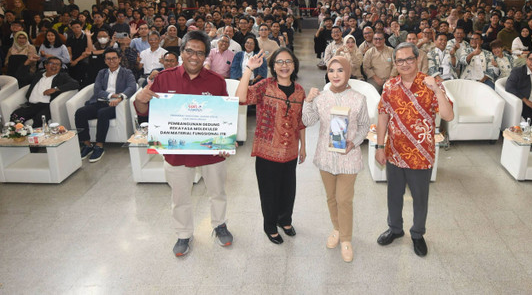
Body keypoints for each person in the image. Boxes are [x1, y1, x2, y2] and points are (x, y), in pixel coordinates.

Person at [134, 30, 234, 256]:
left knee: (217, 192)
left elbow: (223, 118)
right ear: (181, 52)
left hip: (211, 152)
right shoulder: (163, 78)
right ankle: (183, 234)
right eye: (190, 51)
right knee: (179, 197)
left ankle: (219, 224)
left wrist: (228, 141)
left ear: (206, 56)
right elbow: (144, 112)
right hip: (176, 151)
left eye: (200, 53)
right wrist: (140, 100)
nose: (194, 56)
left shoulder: (217, 82)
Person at [375, 42, 453, 257]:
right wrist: (380, 146)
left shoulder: (431, 84)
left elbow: (448, 116)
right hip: (395, 152)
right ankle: (395, 229)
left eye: (409, 59)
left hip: (421, 153)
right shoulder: (390, 86)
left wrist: (437, 89)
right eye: (400, 60)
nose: (405, 64)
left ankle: (418, 234)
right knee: (394, 195)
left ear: (417, 59)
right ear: (395, 63)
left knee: (420, 197)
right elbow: (383, 116)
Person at [236, 47, 306, 244]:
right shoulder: (265, 86)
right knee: (269, 191)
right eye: (279, 62)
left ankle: (285, 220)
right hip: (267, 150)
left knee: (288, 189)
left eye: (288, 62)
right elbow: (241, 98)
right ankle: (270, 225)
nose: (284, 66)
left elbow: (301, 121)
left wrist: (304, 146)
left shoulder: (300, 91)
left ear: (294, 65)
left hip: (290, 149)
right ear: (273, 66)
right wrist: (249, 69)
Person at [302, 56, 369, 262]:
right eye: (332, 70)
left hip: (348, 157)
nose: (336, 75)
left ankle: (346, 239)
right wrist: (308, 101)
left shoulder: (358, 98)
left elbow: (365, 126)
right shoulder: (321, 97)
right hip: (325, 156)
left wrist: (354, 142)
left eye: (340, 70)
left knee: (344, 200)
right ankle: (337, 229)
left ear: (347, 72)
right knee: (331, 198)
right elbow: (307, 121)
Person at [75, 48, 136, 163]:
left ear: (119, 59)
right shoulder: (102, 73)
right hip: (101, 101)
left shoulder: (126, 72)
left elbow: (132, 87)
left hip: (116, 105)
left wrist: (120, 97)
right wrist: (111, 95)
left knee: (102, 113)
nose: (111, 61)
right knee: (80, 112)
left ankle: (99, 145)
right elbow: (97, 90)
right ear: (105, 61)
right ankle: (87, 144)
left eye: (114, 58)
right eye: (108, 59)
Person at [11, 57, 79, 127]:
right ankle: (19, 136)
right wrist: (27, 62)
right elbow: (21, 76)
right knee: (16, 116)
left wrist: (55, 89)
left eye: (57, 64)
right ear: (45, 65)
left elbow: (75, 84)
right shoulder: (39, 74)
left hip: (46, 106)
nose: (54, 66)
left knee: (40, 118)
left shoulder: (62, 76)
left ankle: (36, 137)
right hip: (31, 105)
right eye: (51, 63)